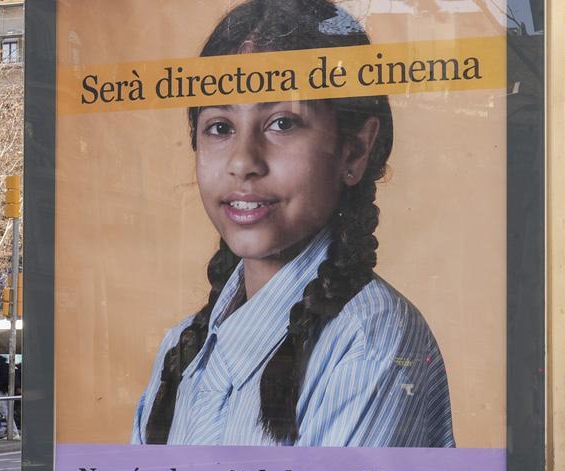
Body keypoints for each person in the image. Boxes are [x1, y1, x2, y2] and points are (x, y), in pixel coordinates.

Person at [132, 0, 453, 448]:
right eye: (220, 127)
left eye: (282, 123)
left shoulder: (370, 340)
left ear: (354, 151)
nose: (243, 162)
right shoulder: (179, 349)